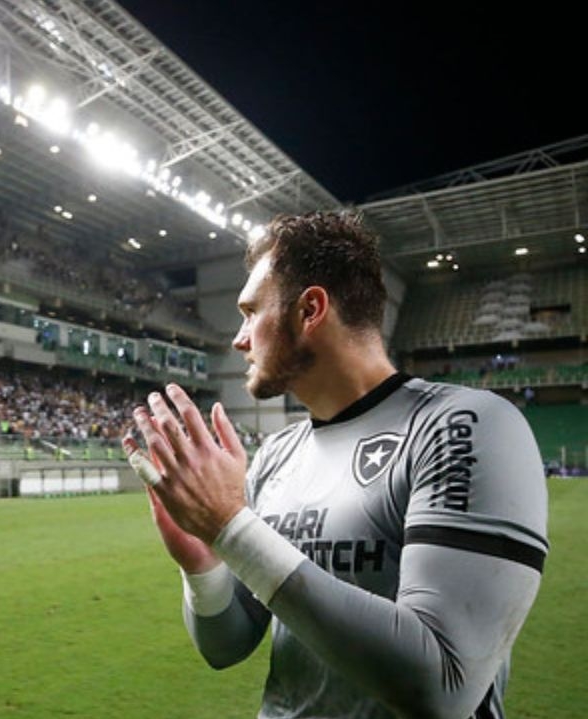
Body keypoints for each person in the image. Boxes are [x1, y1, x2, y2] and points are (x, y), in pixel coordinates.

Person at [124, 211, 547, 719]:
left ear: (311, 309)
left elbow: (442, 686)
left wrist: (231, 527)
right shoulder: (277, 457)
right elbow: (227, 646)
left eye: (251, 311)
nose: (238, 338)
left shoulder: (463, 424)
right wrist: (201, 563)